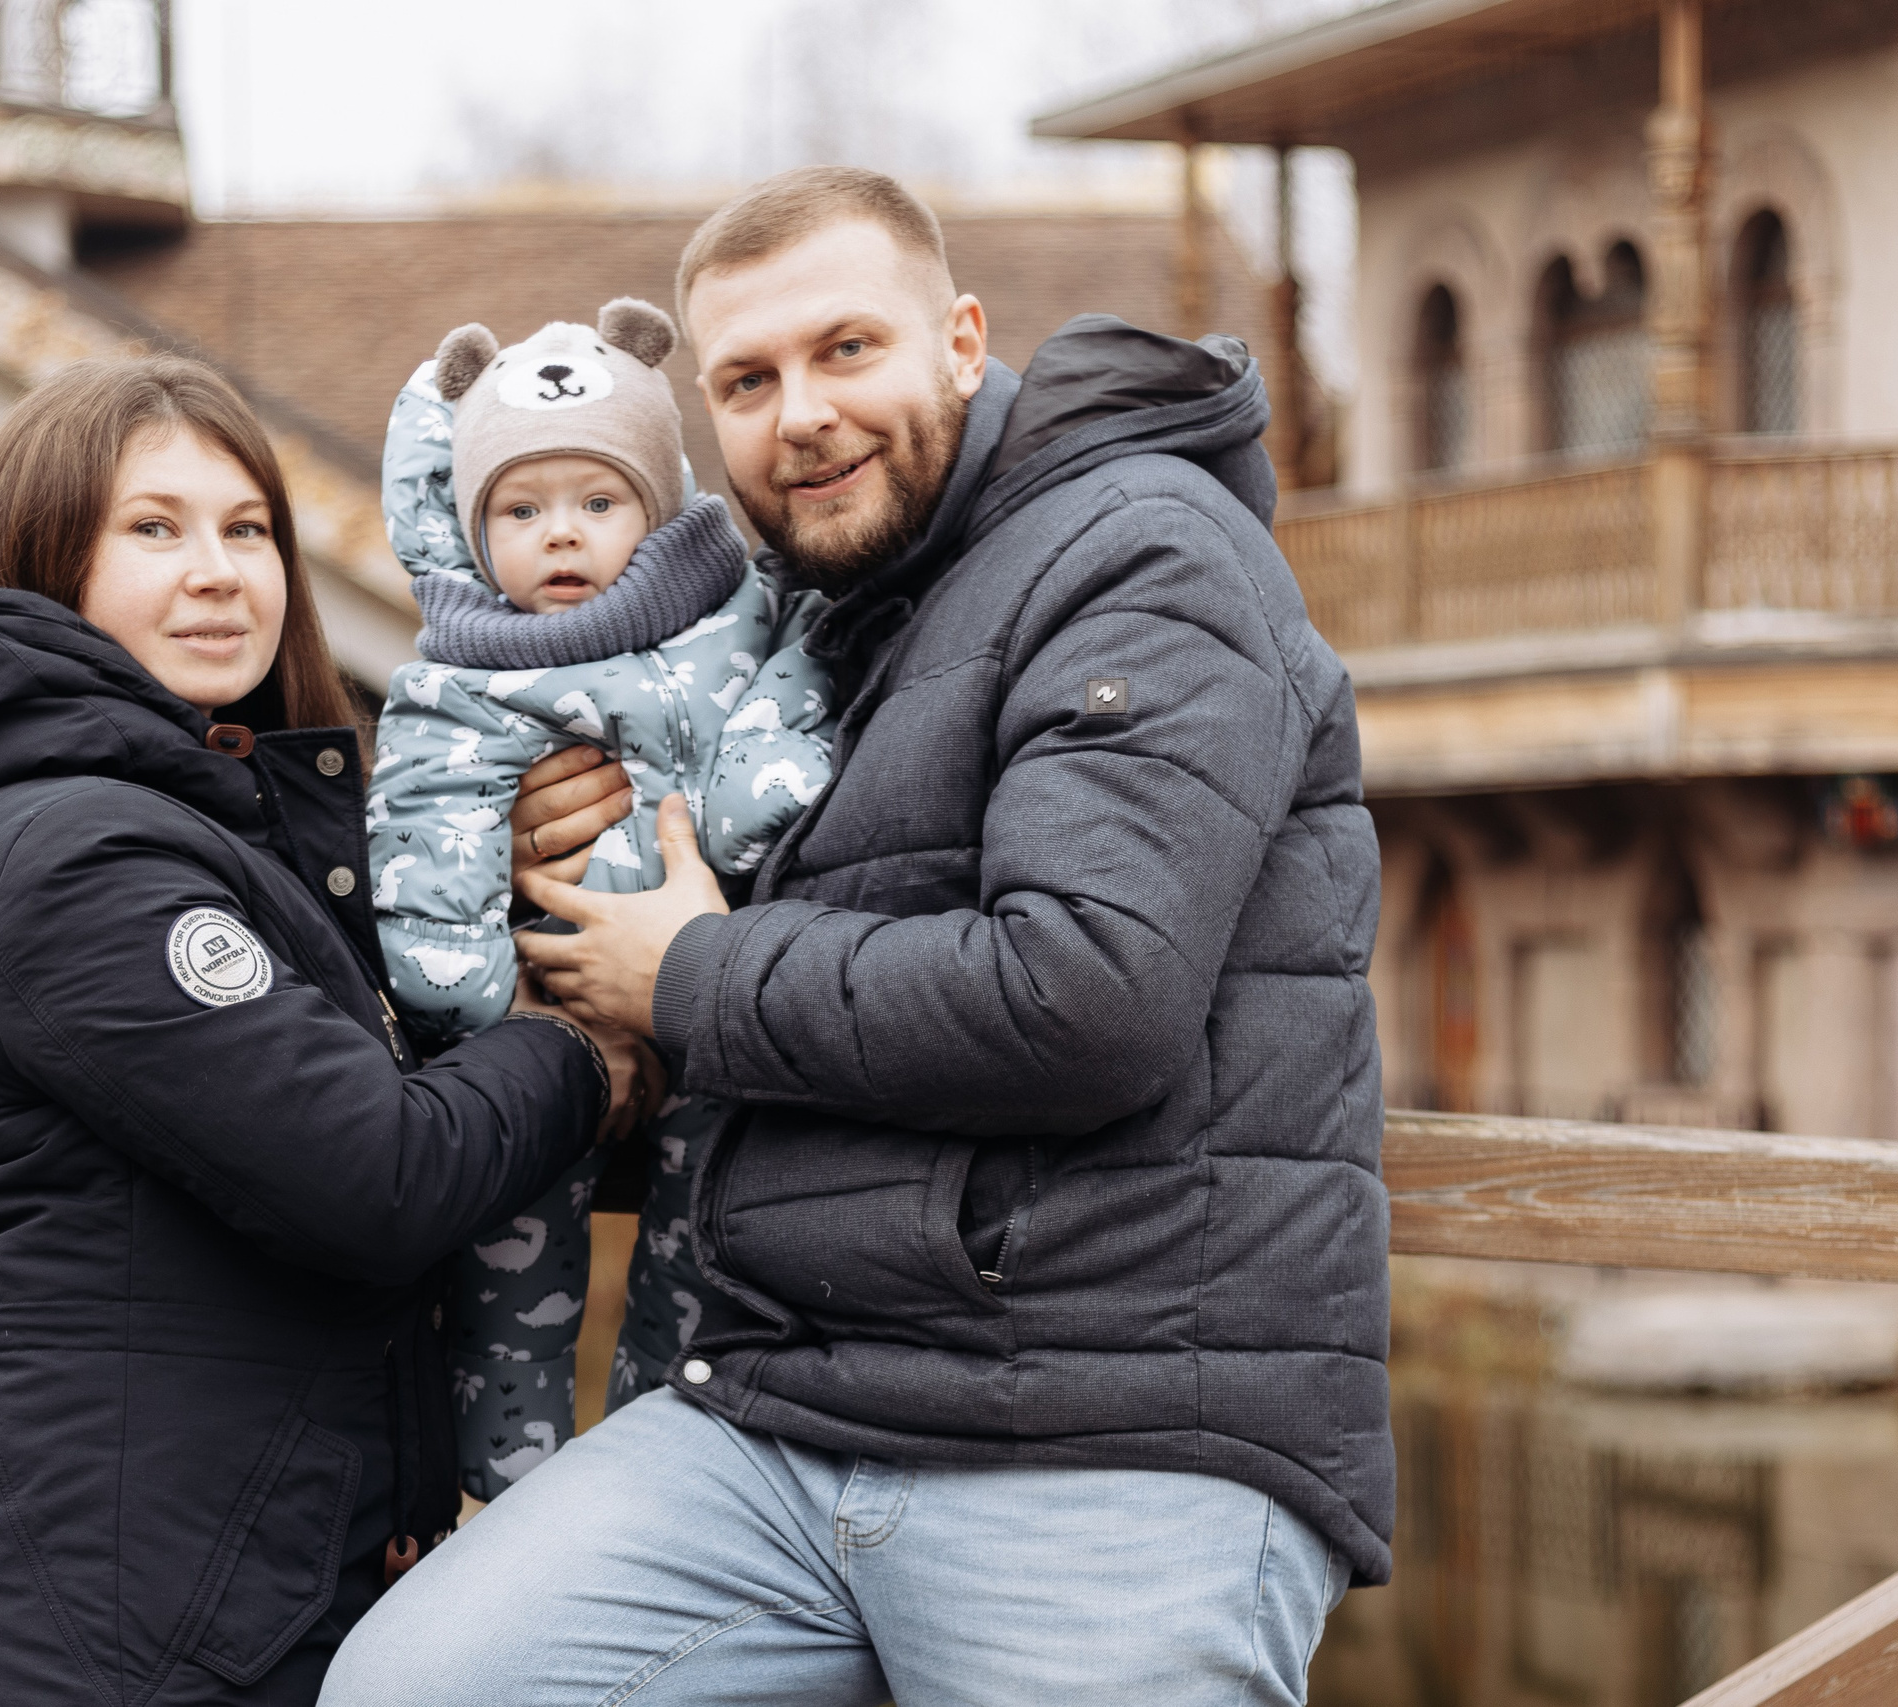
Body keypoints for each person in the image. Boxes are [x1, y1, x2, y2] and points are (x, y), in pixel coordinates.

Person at [323, 166, 1388, 1706]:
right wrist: (545, 835)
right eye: (746, 381)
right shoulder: (832, 599)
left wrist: (684, 971)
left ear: (962, 339)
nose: (798, 414)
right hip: (790, 1405)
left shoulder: (1142, 555)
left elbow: (1086, 995)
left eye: (845, 351)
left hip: (1116, 1424)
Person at [0, 355, 657, 1706]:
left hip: (232, 1597)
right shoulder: (75, 851)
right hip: (135, 1635)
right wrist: (590, 1047)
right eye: (154, 528)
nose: (218, 570)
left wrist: (473, 873)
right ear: (46, 568)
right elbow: (374, 1172)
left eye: (246, 527)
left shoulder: (202, 819)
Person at [369, 297, 837, 1501]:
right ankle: (506, 1485)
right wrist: (471, 996)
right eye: (520, 512)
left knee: (704, 1237)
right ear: (477, 533)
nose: (560, 538)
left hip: (702, 1015)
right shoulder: (465, 671)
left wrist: (754, 793)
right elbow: (426, 824)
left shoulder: (733, 617)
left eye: (596, 503)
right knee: (509, 1263)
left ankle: (656, 1475)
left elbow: (798, 681)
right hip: (547, 1022)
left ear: (657, 502)